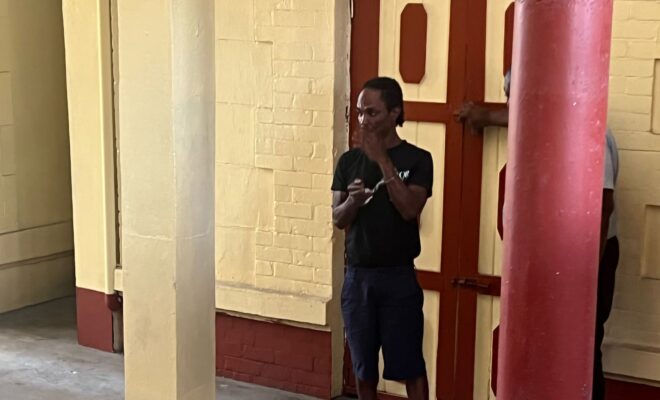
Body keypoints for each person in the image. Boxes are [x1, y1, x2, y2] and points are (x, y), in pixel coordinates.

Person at [456, 71, 620, 400]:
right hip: (553, 256)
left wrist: (586, 276)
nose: (509, 104)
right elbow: (522, 117)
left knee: (581, 348)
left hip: (586, 256)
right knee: (546, 343)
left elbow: (602, 207)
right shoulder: (544, 121)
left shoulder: (587, 129)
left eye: (513, 95)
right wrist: (485, 116)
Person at [332, 77, 433, 400]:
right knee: (363, 369)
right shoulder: (348, 161)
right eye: (360, 112)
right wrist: (353, 202)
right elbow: (338, 218)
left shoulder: (418, 159)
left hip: (398, 278)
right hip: (358, 278)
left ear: (394, 113)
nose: (364, 120)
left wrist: (383, 161)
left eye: (372, 113)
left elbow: (409, 209)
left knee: (410, 366)